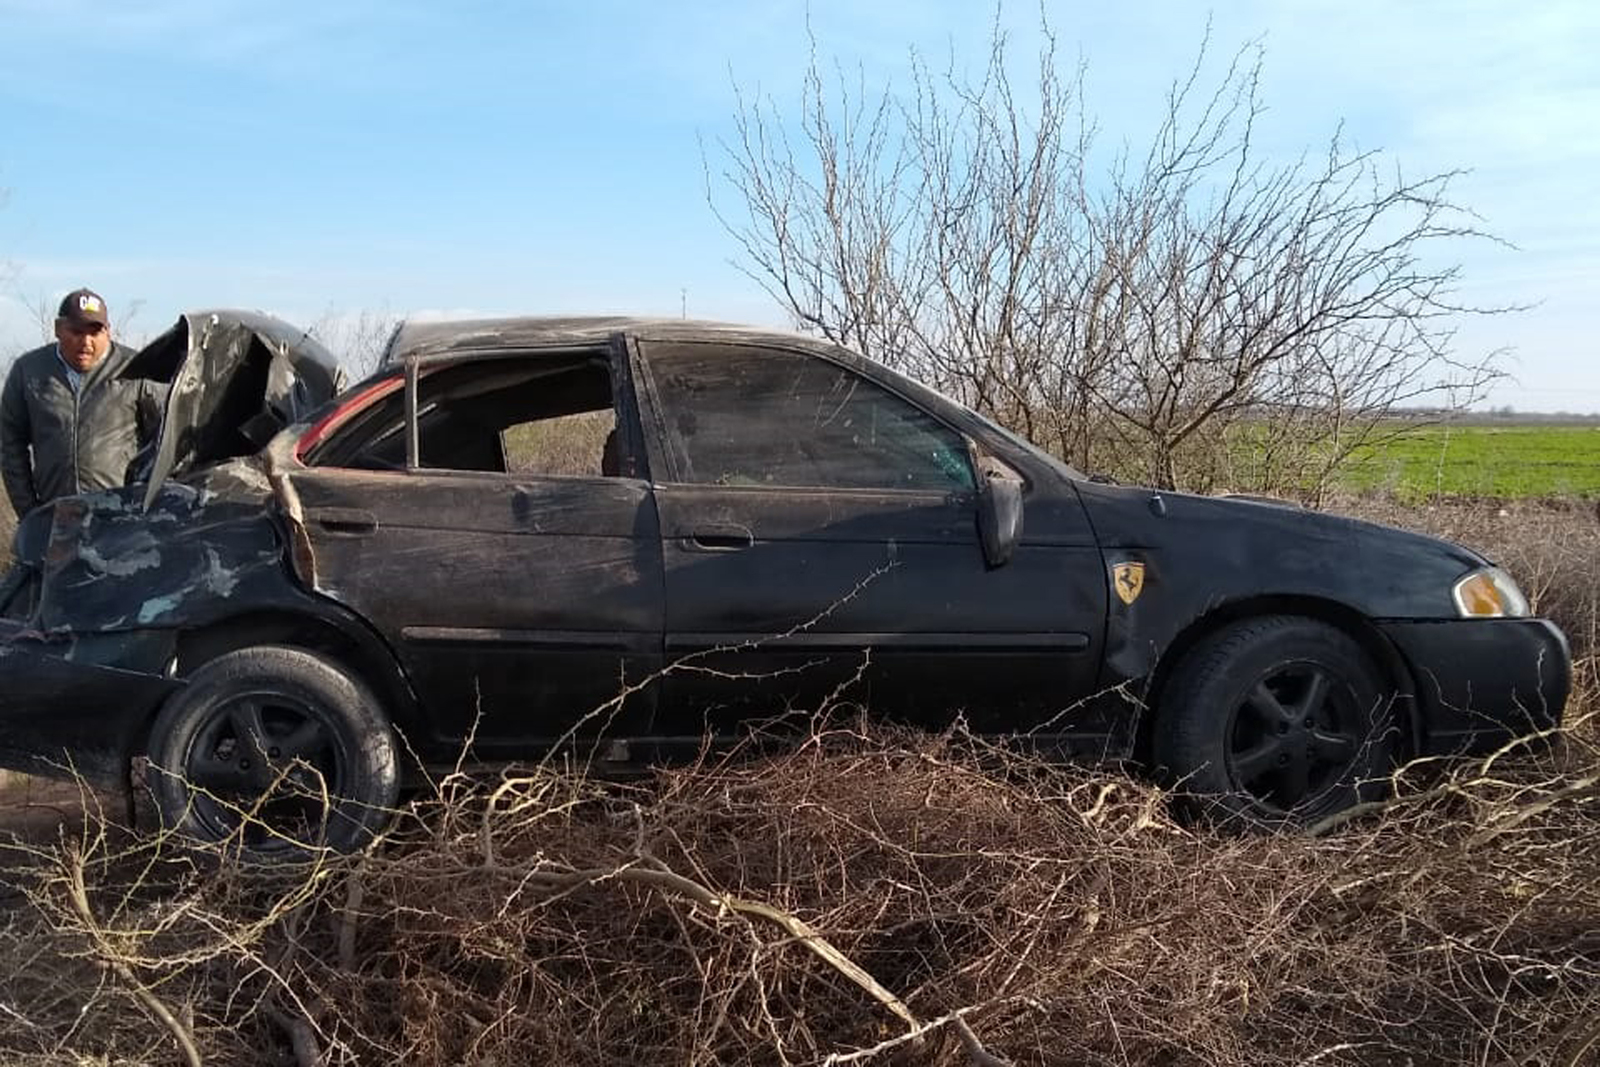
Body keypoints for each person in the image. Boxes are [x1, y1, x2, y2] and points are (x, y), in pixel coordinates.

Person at [0, 288, 163, 517]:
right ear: (58, 329)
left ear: (107, 331)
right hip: (55, 518)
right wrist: (29, 512)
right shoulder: (28, 371)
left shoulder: (138, 370)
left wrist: (146, 507)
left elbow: (165, 441)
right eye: (76, 331)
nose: (86, 342)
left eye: (95, 332)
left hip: (120, 520)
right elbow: (10, 445)